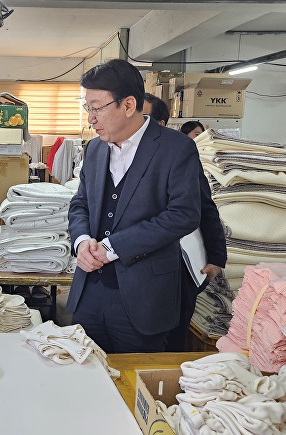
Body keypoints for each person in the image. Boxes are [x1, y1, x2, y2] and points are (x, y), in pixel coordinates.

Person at [67, 59, 202, 354]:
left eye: (97, 107)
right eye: (87, 107)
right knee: (84, 373)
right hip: (89, 290)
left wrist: (113, 247)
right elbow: (80, 204)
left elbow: (184, 215)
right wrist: (80, 243)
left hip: (144, 297)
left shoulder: (175, 148)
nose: (91, 118)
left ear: (128, 105)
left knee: (134, 385)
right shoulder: (94, 149)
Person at [143, 93, 227, 351]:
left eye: (143, 119)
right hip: (138, 264)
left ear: (160, 124)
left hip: (178, 263)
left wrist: (216, 257)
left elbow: (205, 207)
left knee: (173, 332)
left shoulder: (179, 156)